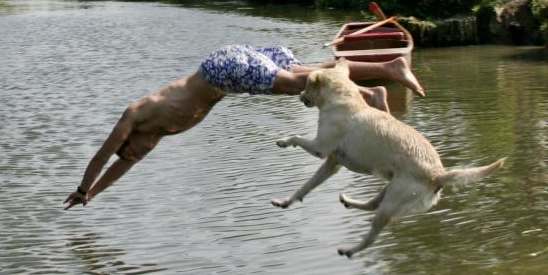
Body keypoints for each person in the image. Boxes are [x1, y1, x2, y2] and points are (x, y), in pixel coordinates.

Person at [62, 44, 425, 209]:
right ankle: (380, 75)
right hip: (233, 73)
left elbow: (104, 156)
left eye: (135, 153)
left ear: (131, 141)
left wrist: (82, 186)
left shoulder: (136, 117)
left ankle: (378, 83)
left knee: (304, 87)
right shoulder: (153, 137)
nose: (139, 156)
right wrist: (93, 197)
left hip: (224, 69)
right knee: (312, 75)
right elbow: (119, 168)